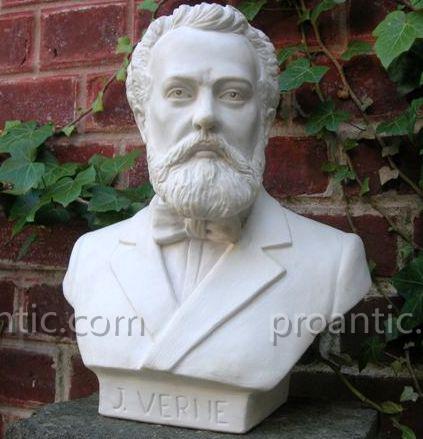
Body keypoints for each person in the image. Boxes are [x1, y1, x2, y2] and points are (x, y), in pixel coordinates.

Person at [63, 3, 371, 433]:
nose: (205, 116)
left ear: (263, 120)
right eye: (178, 93)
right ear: (142, 118)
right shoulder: (90, 257)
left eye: (232, 94)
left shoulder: (333, 261)